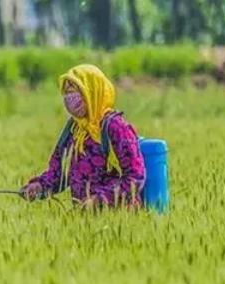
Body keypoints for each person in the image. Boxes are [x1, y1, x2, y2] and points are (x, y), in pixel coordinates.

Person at [20, 64, 146, 208]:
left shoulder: (115, 127)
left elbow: (135, 176)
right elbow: (59, 173)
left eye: (76, 91)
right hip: (84, 216)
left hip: (119, 216)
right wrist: (38, 187)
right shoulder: (74, 129)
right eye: (66, 92)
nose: (70, 98)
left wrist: (100, 200)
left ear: (92, 92)